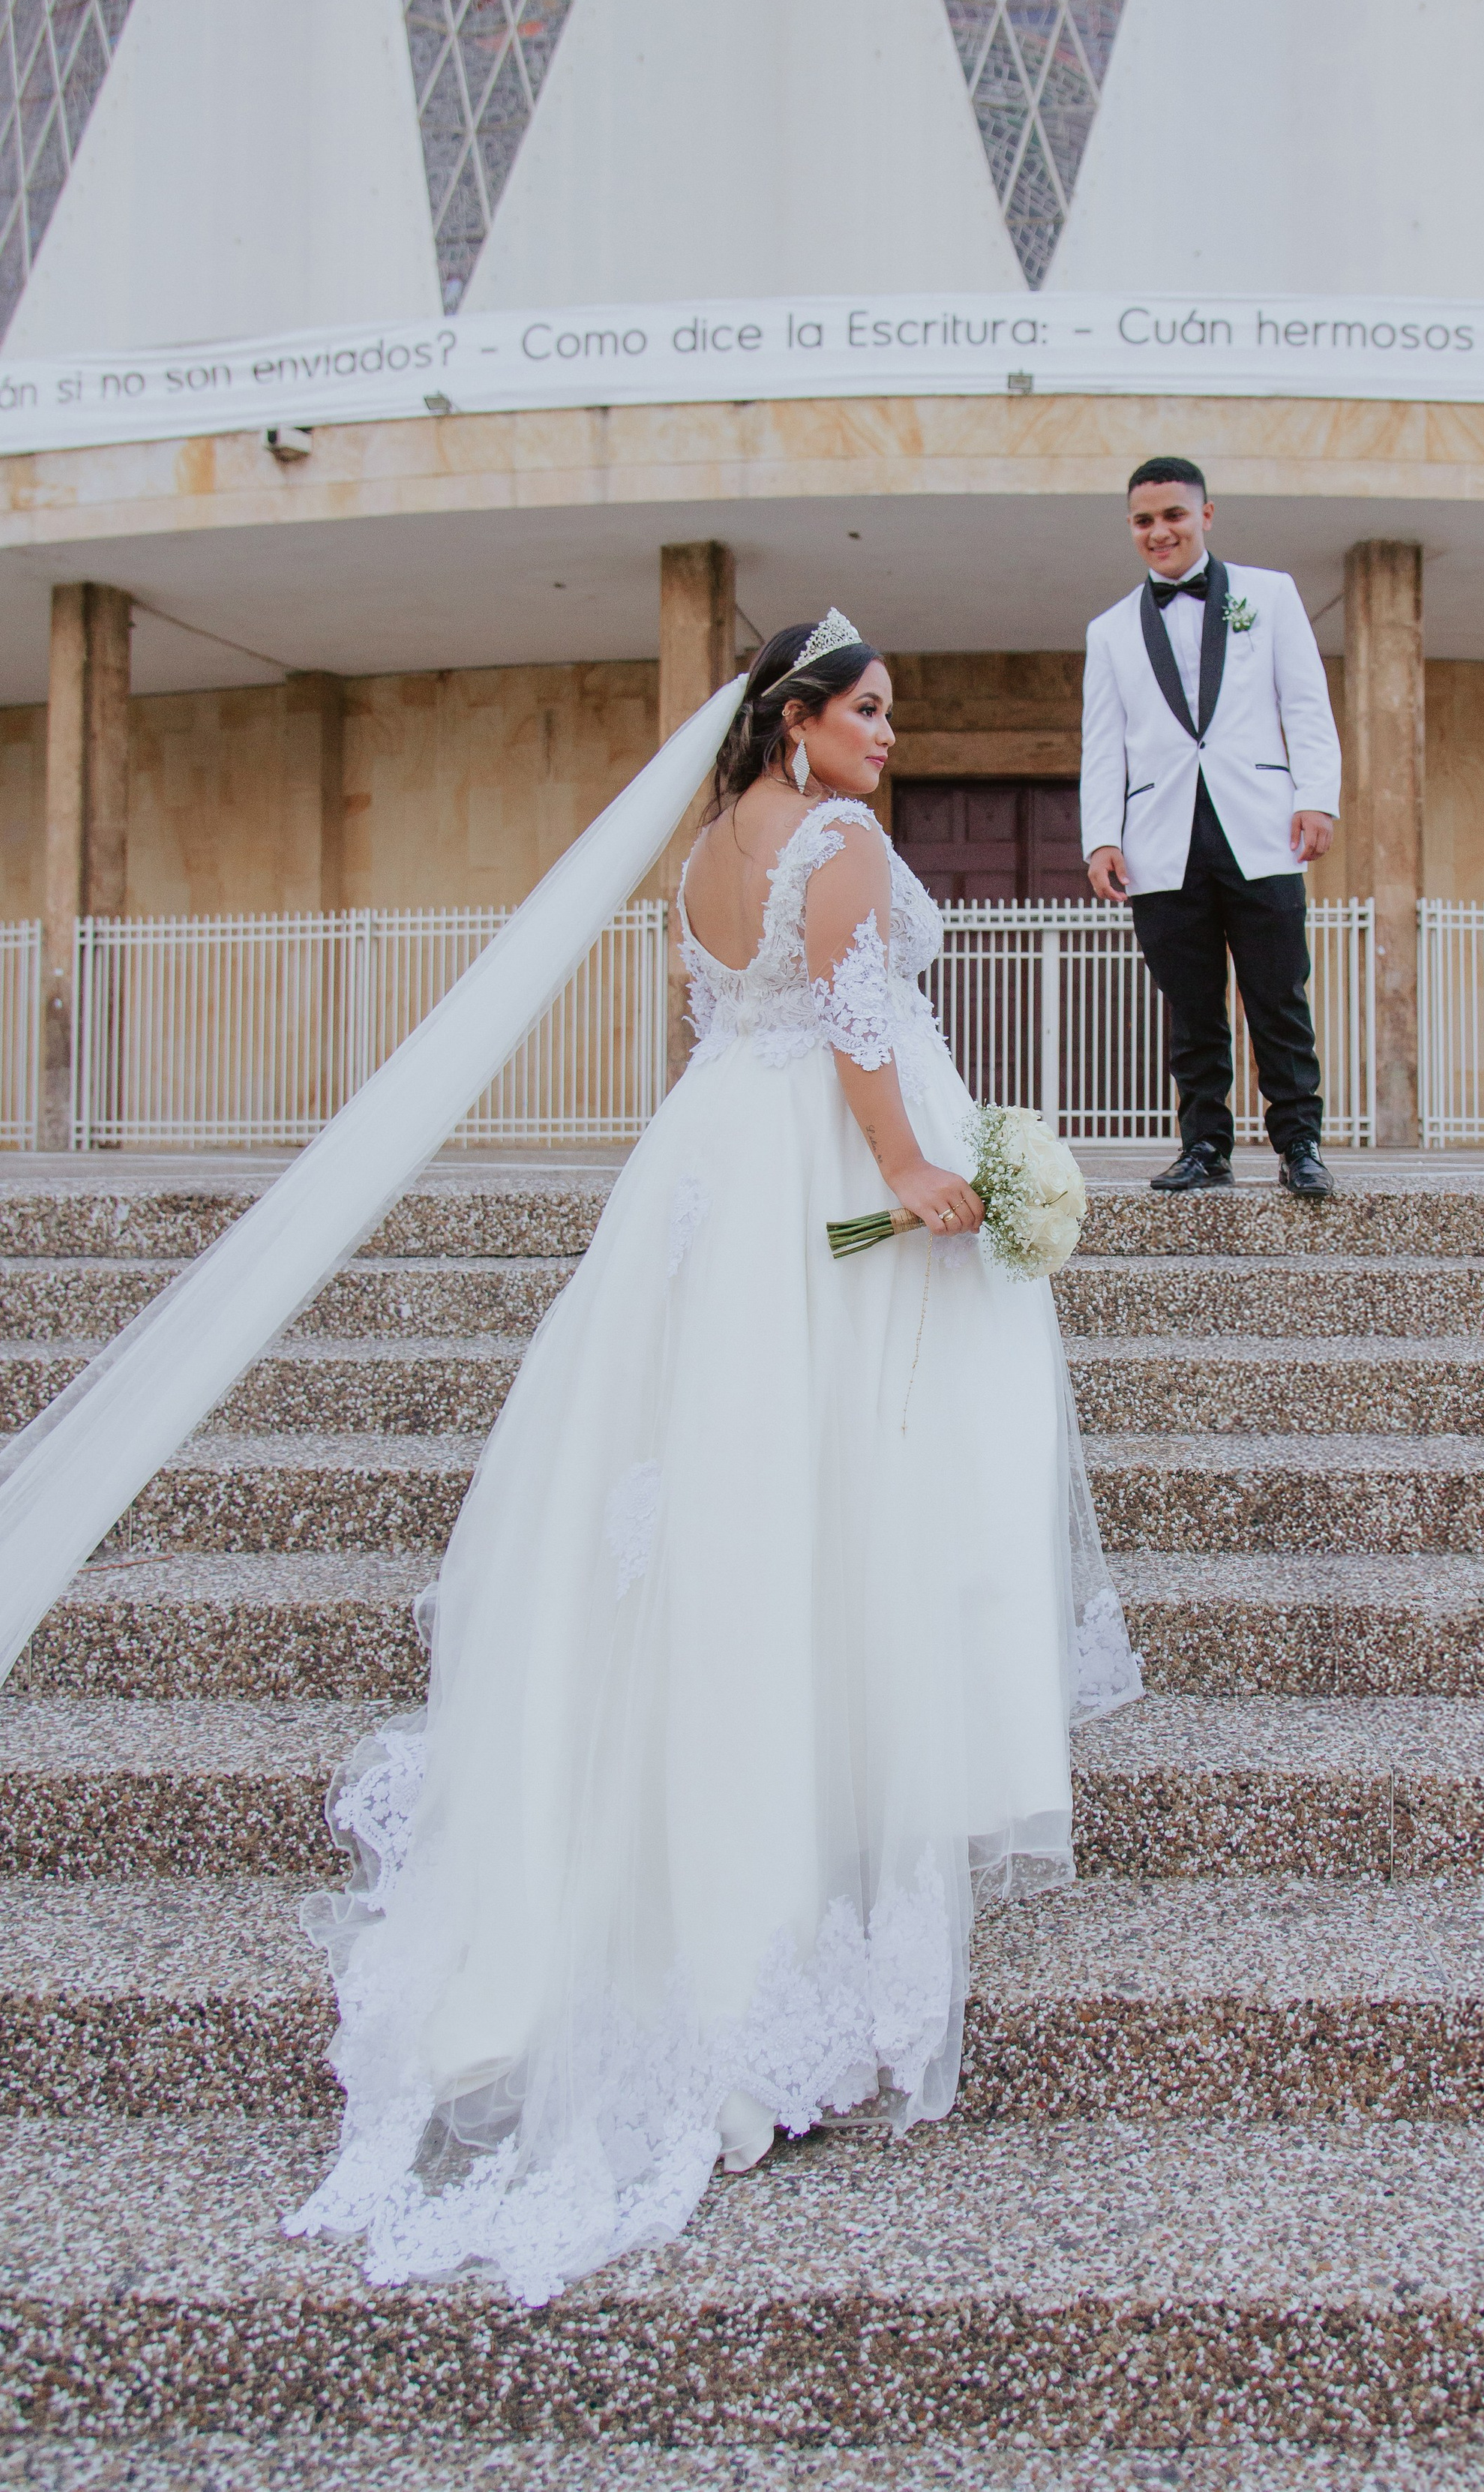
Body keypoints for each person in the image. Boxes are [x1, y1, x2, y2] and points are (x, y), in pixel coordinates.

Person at [287, 613, 1141, 2305]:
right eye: (875, 712)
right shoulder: (834, 837)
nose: (893, 738)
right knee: (830, 1502)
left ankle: (716, 1848)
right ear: (800, 720)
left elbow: (739, 1019)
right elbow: (849, 1023)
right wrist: (917, 1172)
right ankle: (775, 1927)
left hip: (705, 1180)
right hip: (814, 1172)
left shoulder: (700, 855)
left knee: (708, 1511)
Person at [1081, 458, 1342, 1198]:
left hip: (1260, 828)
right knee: (1189, 1004)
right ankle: (1204, 1146)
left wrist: (1315, 797)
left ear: (1206, 515)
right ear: (1130, 527)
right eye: (1143, 520)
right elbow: (1103, 743)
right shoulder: (1108, 631)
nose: (1159, 531)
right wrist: (1101, 835)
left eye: (1173, 515)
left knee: (1278, 994)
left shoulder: (1270, 595)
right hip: (1158, 843)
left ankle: (1299, 1144)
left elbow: (1306, 704)